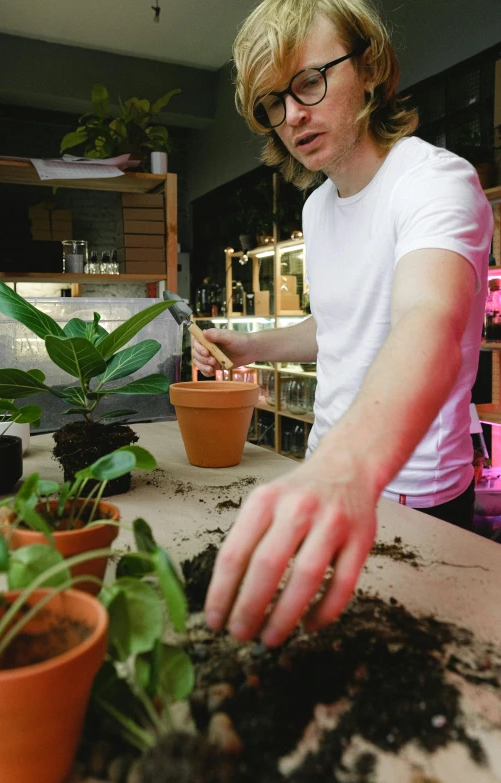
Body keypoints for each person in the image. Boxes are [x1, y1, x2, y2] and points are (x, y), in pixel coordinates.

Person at [193, 0, 494, 649]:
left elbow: (428, 320)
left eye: (309, 81)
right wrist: (246, 344)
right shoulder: (318, 208)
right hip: (328, 471)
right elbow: (335, 325)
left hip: (411, 491)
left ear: (370, 67)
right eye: (274, 101)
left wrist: (347, 469)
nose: (292, 114)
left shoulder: (436, 183)